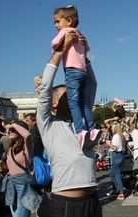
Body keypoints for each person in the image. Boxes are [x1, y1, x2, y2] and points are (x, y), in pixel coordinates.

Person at [36, 31, 102, 217]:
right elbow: (46, 88)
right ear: (54, 102)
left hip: (92, 199)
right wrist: (60, 52)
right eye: (68, 94)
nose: (74, 95)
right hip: (66, 204)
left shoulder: (80, 120)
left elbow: (92, 84)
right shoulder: (48, 124)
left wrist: (83, 56)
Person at [52, 5, 98, 150]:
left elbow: (53, 45)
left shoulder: (66, 31)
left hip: (72, 71)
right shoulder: (79, 32)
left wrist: (61, 45)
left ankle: (80, 131)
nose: (56, 25)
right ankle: (92, 129)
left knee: (73, 103)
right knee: (84, 103)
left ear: (69, 20)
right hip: (83, 71)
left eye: (58, 21)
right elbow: (87, 48)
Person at [0, 121, 41, 217]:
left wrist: (13, 124)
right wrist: (2, 167)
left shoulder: (27, 148)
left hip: (22, 185)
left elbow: (27, 135)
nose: (10, 131)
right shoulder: (10, 149)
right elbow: (10, 169)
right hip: (11, 184)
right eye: (9, 130)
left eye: (13, 130)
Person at [105, 121, 126, 200]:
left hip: (116, 156)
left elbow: (115, 148)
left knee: (117, 175)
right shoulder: (121, 136)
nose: (111, 129)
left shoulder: (115, 136)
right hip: (120, 155)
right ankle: (116, 190)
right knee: (112, 174)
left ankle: (121, 192)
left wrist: (108, 143)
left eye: (112, 127)